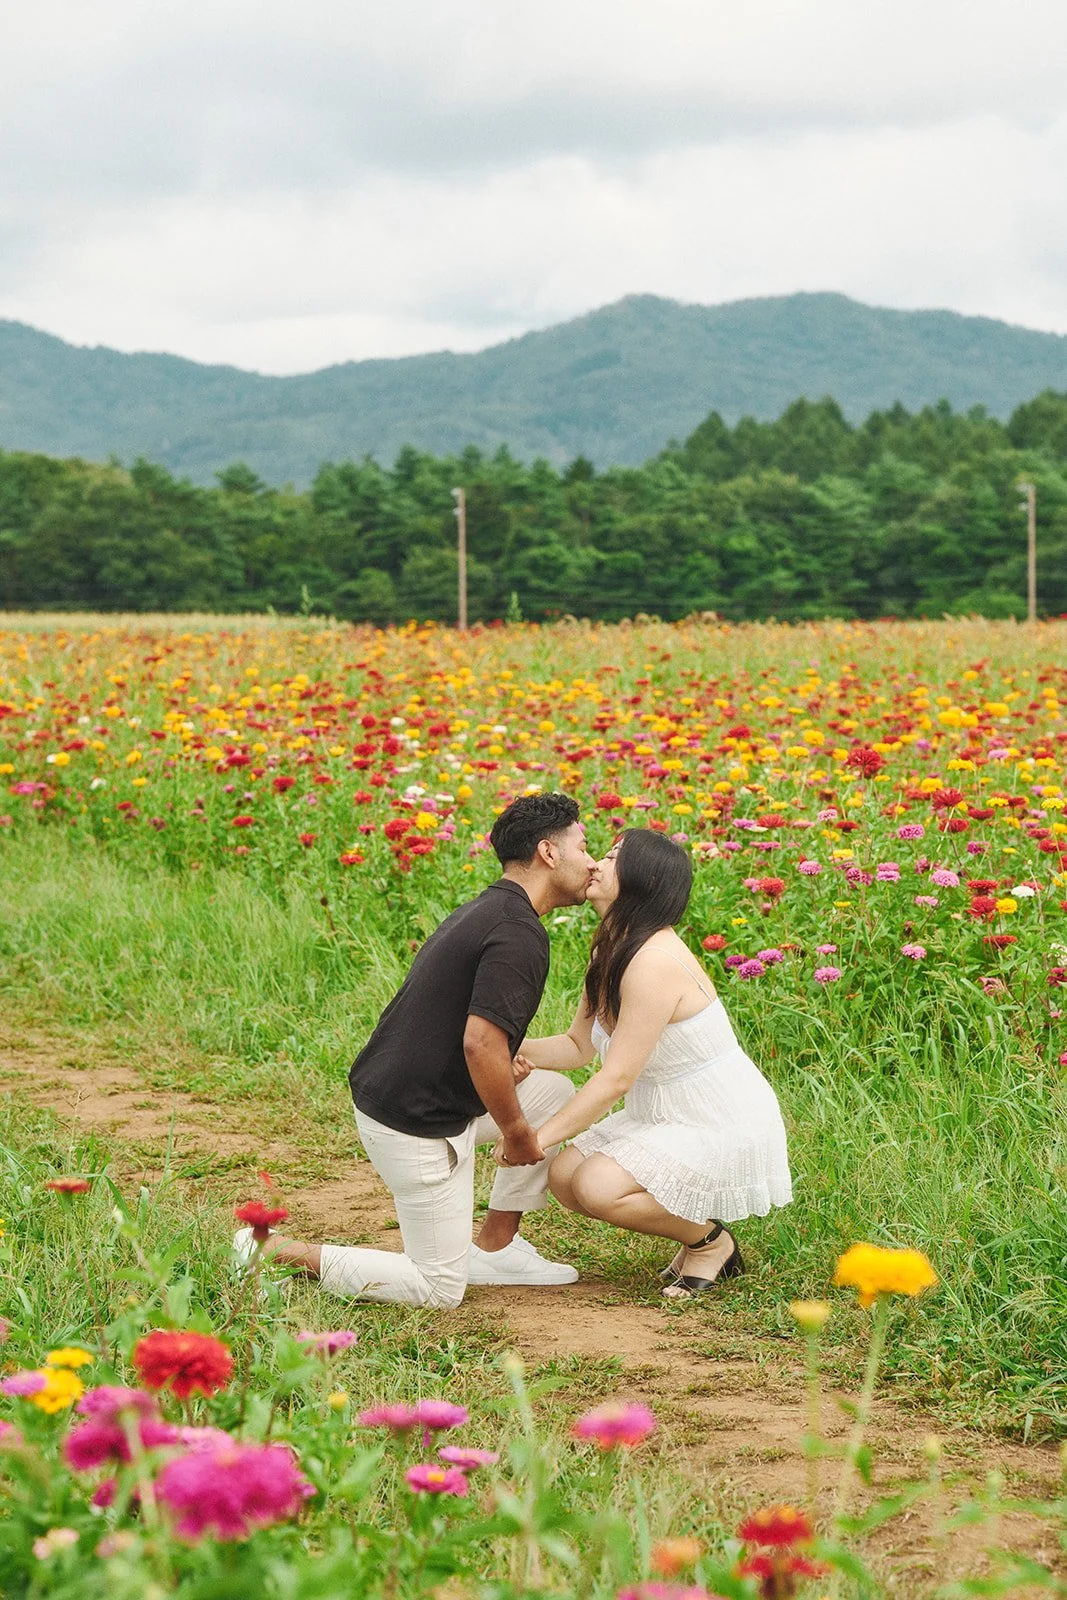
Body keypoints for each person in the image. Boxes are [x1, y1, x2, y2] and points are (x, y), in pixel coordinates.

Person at [235, 792, 597, 1307]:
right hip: (415, 1123)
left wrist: (504, 1066)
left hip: (399, 1093)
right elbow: (480, 1043)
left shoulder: (491, 909)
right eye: (584, 847)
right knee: (438, 1287)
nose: (592, 862)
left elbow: (463, 1031)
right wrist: (517, 1133)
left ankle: (497, 1246)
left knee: (553, 1093)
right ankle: (270, 1250)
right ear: (549, 852)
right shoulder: (518, 933)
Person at [503, 829, 792, 1298]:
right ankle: (695, 1237)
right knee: (564, 1178)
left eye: (613, 857)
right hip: (662, 1112)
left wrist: (534, 1139)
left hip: (716, 1118)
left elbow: (616, 1078)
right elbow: (577, 1047)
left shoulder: (654, 960)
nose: (595, 863)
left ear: (642, 879)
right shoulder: (611, 949)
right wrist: (502, 1048)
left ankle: (710, 1243)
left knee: (596, 1186)